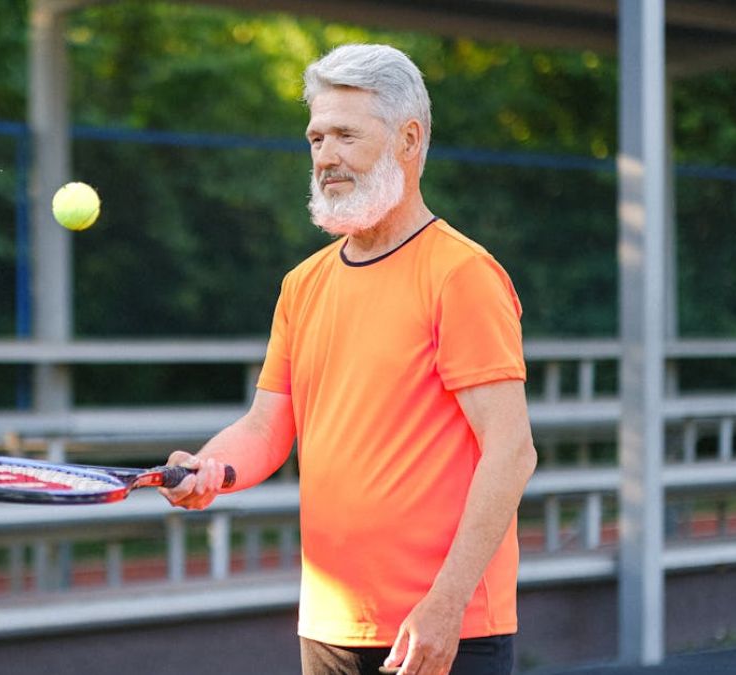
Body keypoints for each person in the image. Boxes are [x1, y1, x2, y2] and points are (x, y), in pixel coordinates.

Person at [161, 44, 538, 675]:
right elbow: (265, 426)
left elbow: (511, 450)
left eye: (345, 135)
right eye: (315, 137)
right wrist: (209, 467)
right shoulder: (301, 285)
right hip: (331, 624)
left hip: (443, 628)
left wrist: (446, 605)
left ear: (408, 140)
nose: (326, 156)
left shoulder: (462, 275)